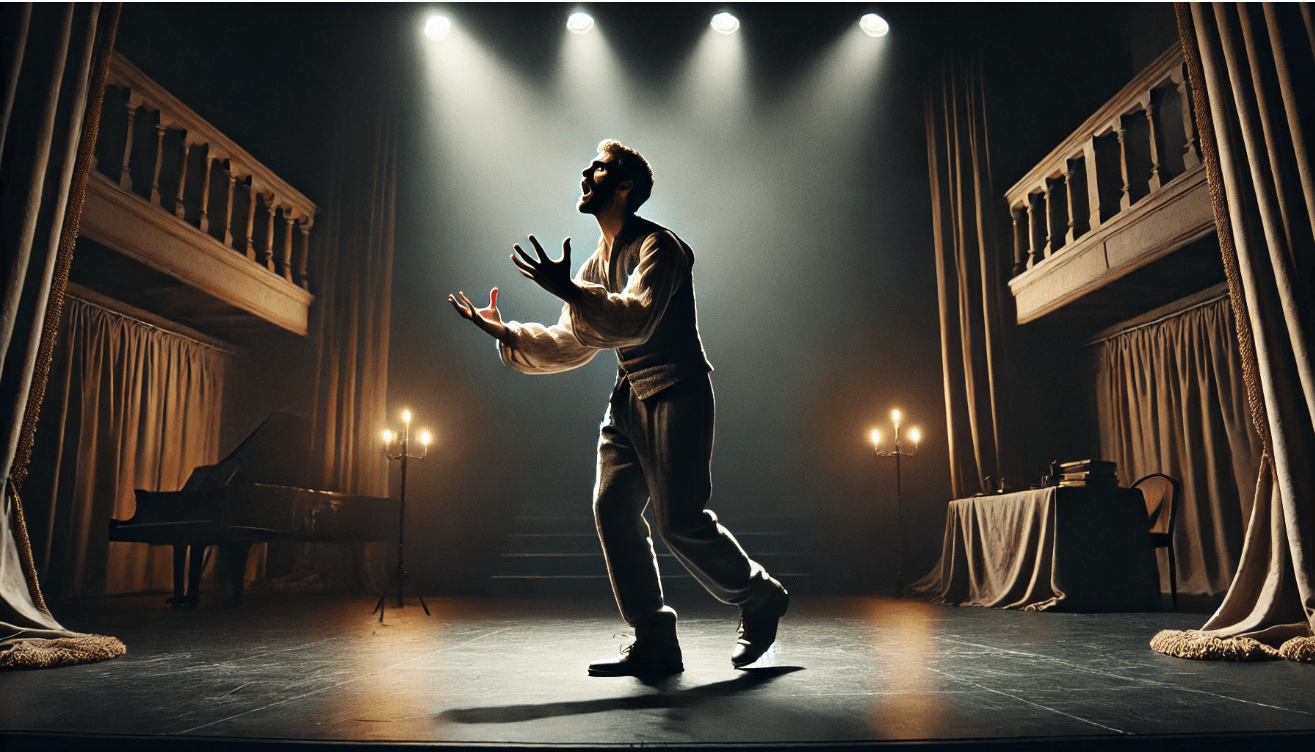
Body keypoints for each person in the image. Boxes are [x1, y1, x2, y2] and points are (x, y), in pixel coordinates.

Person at [448, 139, 788, 677]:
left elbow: (637, 318)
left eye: (600, 168)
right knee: (612, 507)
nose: (587, 172)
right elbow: (572, 339)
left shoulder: (661, 246)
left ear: (625, 186)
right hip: (627, 396)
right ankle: (654, 636)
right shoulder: (595, 263)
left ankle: (760, 596)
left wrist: (570, 291)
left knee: (680, 522)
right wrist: (507, 331)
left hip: (676, 388)